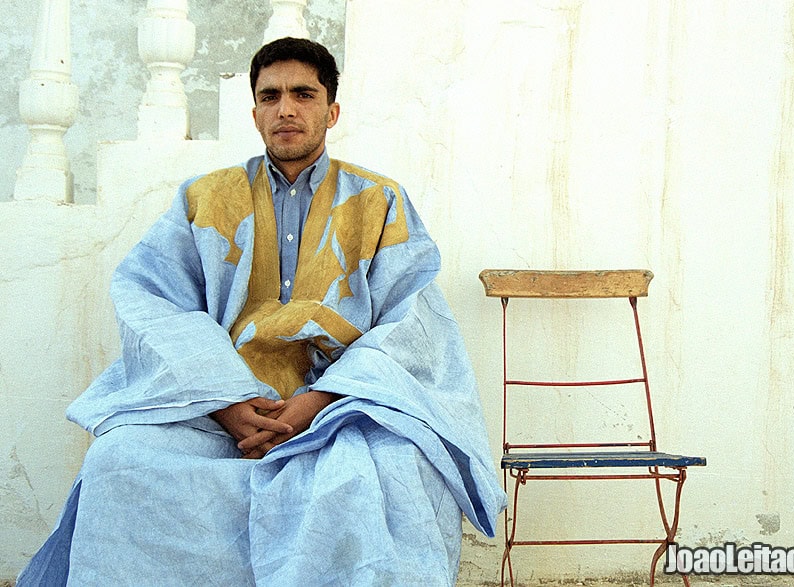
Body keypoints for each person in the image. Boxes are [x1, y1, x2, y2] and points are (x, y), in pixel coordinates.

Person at [18, 37, 505, 586]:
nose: (286, 109)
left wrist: (318, 401)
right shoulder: (204, 198)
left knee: (392, 471)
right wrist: (227, 401)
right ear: (255, 114)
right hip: (214, 399)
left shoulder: (380, 202)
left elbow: (409, 320)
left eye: (303, 94)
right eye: (270, 96)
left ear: (331, 110)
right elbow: (154, 303)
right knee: (121, 462)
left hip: (345, 405)